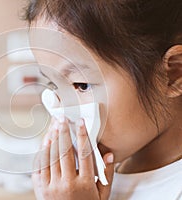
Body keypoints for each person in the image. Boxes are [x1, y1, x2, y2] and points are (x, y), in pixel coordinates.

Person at [23, 0, 182, 199]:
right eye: (54, 86)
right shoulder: (91, 177)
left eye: (81, 85)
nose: (63, 110)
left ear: (173, 74)